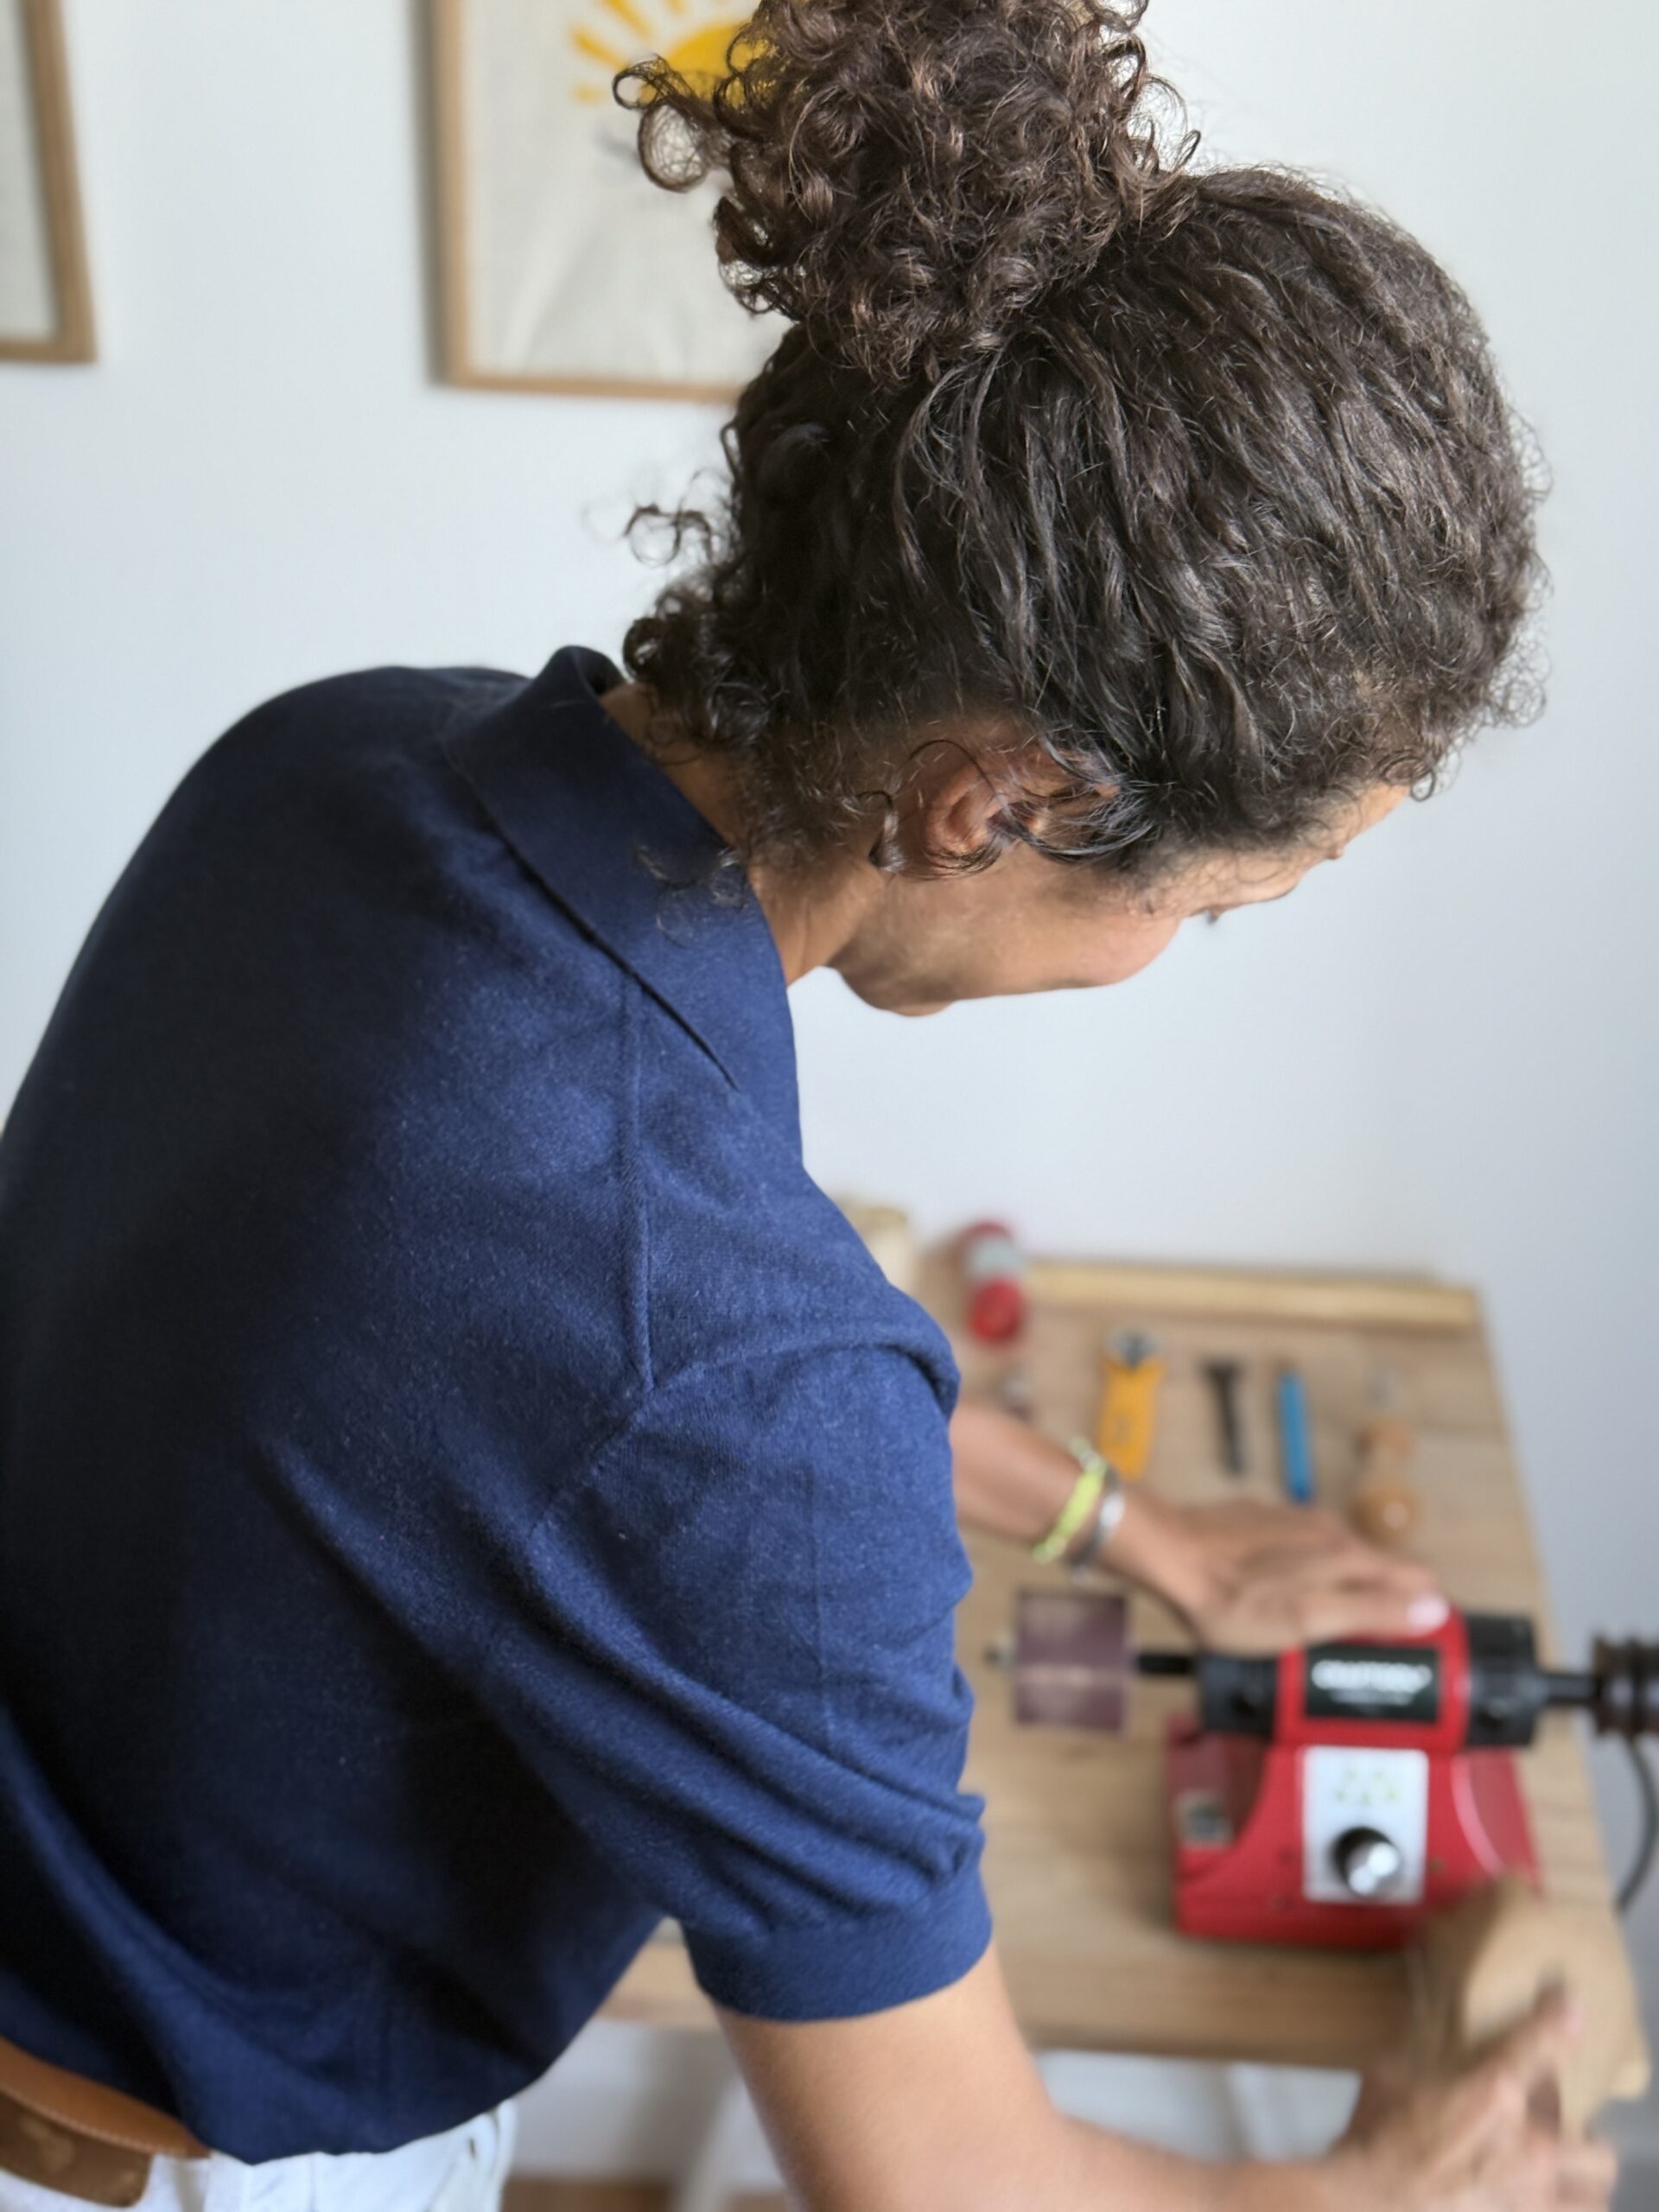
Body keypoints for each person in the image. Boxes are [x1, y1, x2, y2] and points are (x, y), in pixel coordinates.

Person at [0, 3, 1615, 2208]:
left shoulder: (338, 762)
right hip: (161, 2147)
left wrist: (1129, 1532)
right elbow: (952, 2180)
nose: (1171, 957)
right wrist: (1374, 2186)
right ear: (991, 800)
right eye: (1211, 909)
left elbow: (574, 1379)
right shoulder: (722, 1361)